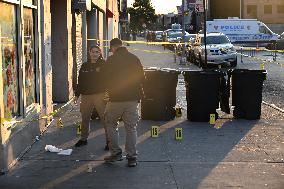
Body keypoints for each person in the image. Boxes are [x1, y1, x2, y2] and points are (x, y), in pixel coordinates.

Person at [103, 38, 144, 167]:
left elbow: (104, 79)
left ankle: (115, 153)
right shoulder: (134, 58)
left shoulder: (110, 60)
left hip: (115, 99)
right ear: (122, 45)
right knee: (131, 128)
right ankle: (132, 157)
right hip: (132, 99)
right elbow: (142, 77)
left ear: (113, 48)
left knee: (110, 124)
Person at [74, 45, 109, 150]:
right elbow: (80, 82)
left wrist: (108, 93)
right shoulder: (84, 66)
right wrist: (77, 95)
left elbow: (109, 80)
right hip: (86, 96)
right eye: (93, 52)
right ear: (89, 52)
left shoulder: (104, 65)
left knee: (104, 119)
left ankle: (109, 141)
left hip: (100, 95)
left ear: (100, 53)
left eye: (97, 52)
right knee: (85, 118)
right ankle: (83, 139)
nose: (94, 54)